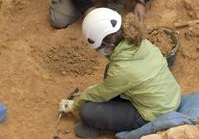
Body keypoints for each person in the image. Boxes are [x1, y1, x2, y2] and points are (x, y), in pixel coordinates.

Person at [57, 8, 181, 138]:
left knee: (87, 111)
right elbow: (115, 81)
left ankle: (100, 127)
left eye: (99, 48)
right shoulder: (139, 42)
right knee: (109, 70)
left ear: (107, 44)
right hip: (168, 98)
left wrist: (74, 104)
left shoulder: (121, 69)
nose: (100, 51)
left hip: (155, 114)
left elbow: (103, 92)